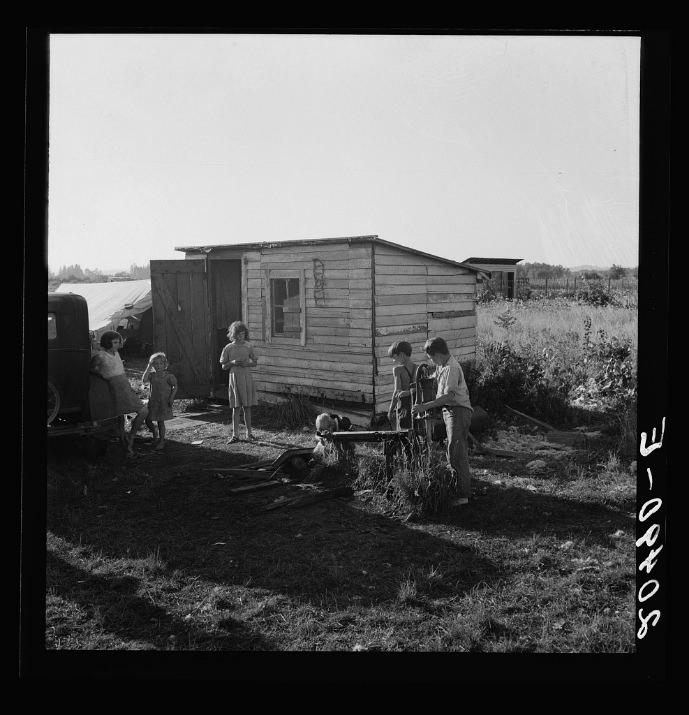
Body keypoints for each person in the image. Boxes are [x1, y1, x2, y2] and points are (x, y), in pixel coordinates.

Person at [411, 337, 473, 507]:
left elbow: (449, 395)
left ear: (437, 354)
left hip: (458, 410)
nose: (430, 360)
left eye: (431, 357)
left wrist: (425, 406)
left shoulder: (451, 368)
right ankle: (456, 489)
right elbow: (433, 376)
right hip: (451, 411)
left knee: (457, 451)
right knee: (452, 450)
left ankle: (463, 495)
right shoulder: (443, 365)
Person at [89, 330, 149, 455]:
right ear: (107, 342)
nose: (118, 344)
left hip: (124, 385)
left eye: (118, 342)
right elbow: (91, 368)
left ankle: (130, 437)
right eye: (115, 342)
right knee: (120, 418)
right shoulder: (101, 355)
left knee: (143, 412)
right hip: (114, 387)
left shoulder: (116, 353)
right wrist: (102, 374)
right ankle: (126, 446)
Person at [219, 321, 258, 443]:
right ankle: (235, 435)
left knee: (247, 407)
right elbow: (223, 366)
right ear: (233, 334)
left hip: (246, 377)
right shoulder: (228, 348)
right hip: (235, 378)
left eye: (243, 333)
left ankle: (249, 433)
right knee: (236, 407)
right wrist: (232, 362)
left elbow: (255, 362)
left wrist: (247, 364)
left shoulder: (248, 346)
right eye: (238, 334)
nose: (241, 336)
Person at [142, 352, 178, 451]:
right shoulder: (152, 375)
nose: (158, 366)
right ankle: (154, 432)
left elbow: (175, 386)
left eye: (160, 364)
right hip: (153, 401)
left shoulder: (168, 376)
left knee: (160, 421)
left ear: (164, 364)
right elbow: (144, 380)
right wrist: (149, 366)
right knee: (148, 420)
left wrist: (171, 398)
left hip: (163, 402)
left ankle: (162, 440)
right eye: (155, 364)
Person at [386, 341, 418, 430]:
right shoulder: (418, 368)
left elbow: (397, 391)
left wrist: (390, 410)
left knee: (402, 434)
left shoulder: (397, 370)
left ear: (401, 355)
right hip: (417, 406)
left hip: (403, 407)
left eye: (394, 357)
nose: (393, 361)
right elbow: (419, 388)